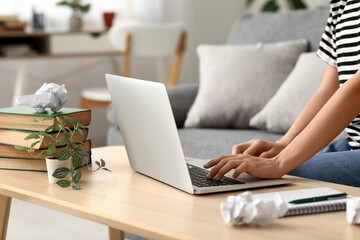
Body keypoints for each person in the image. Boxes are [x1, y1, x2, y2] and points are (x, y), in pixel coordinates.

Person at [204, 0, 360, 187]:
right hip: (353, 144)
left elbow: (356, 91)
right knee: (241, 169)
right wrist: (285, 144)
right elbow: (329, 91)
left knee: (273, 175)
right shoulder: (341, 4)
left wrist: (279, 163)